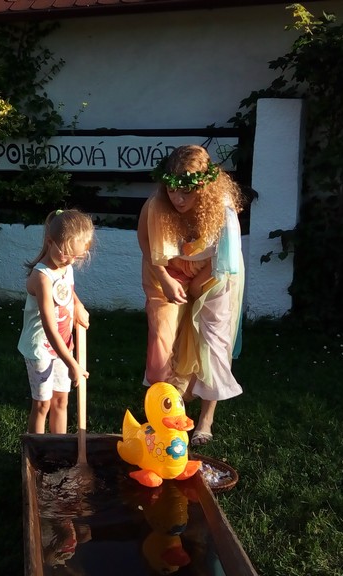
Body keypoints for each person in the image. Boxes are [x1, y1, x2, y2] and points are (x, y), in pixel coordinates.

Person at [137, 145, 245, 445]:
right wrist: (167, 279)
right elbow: (147, 245)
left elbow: (225, 260)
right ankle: (168, 411)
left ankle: (206, 420)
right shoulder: (156, 204)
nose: (178, 199)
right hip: (167, 270)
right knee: (164, 338)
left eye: (187, 192)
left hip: (217, 273)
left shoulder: (223, 209)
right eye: (172, 191)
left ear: (205, 187)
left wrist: (197, 284)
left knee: (213, 341)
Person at [18, 209, 94, 435]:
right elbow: (49, 328)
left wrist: (77, 304)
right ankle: (36, 450)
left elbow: (66, 290)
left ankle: (59, 448)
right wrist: (73, 364)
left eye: (76, 257)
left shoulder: (64, 265)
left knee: (61, 401)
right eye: (67, 254)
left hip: (63, 346)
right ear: (50, 241)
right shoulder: (42, 277)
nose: (70, 261)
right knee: (43, 404)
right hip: (41, 349)